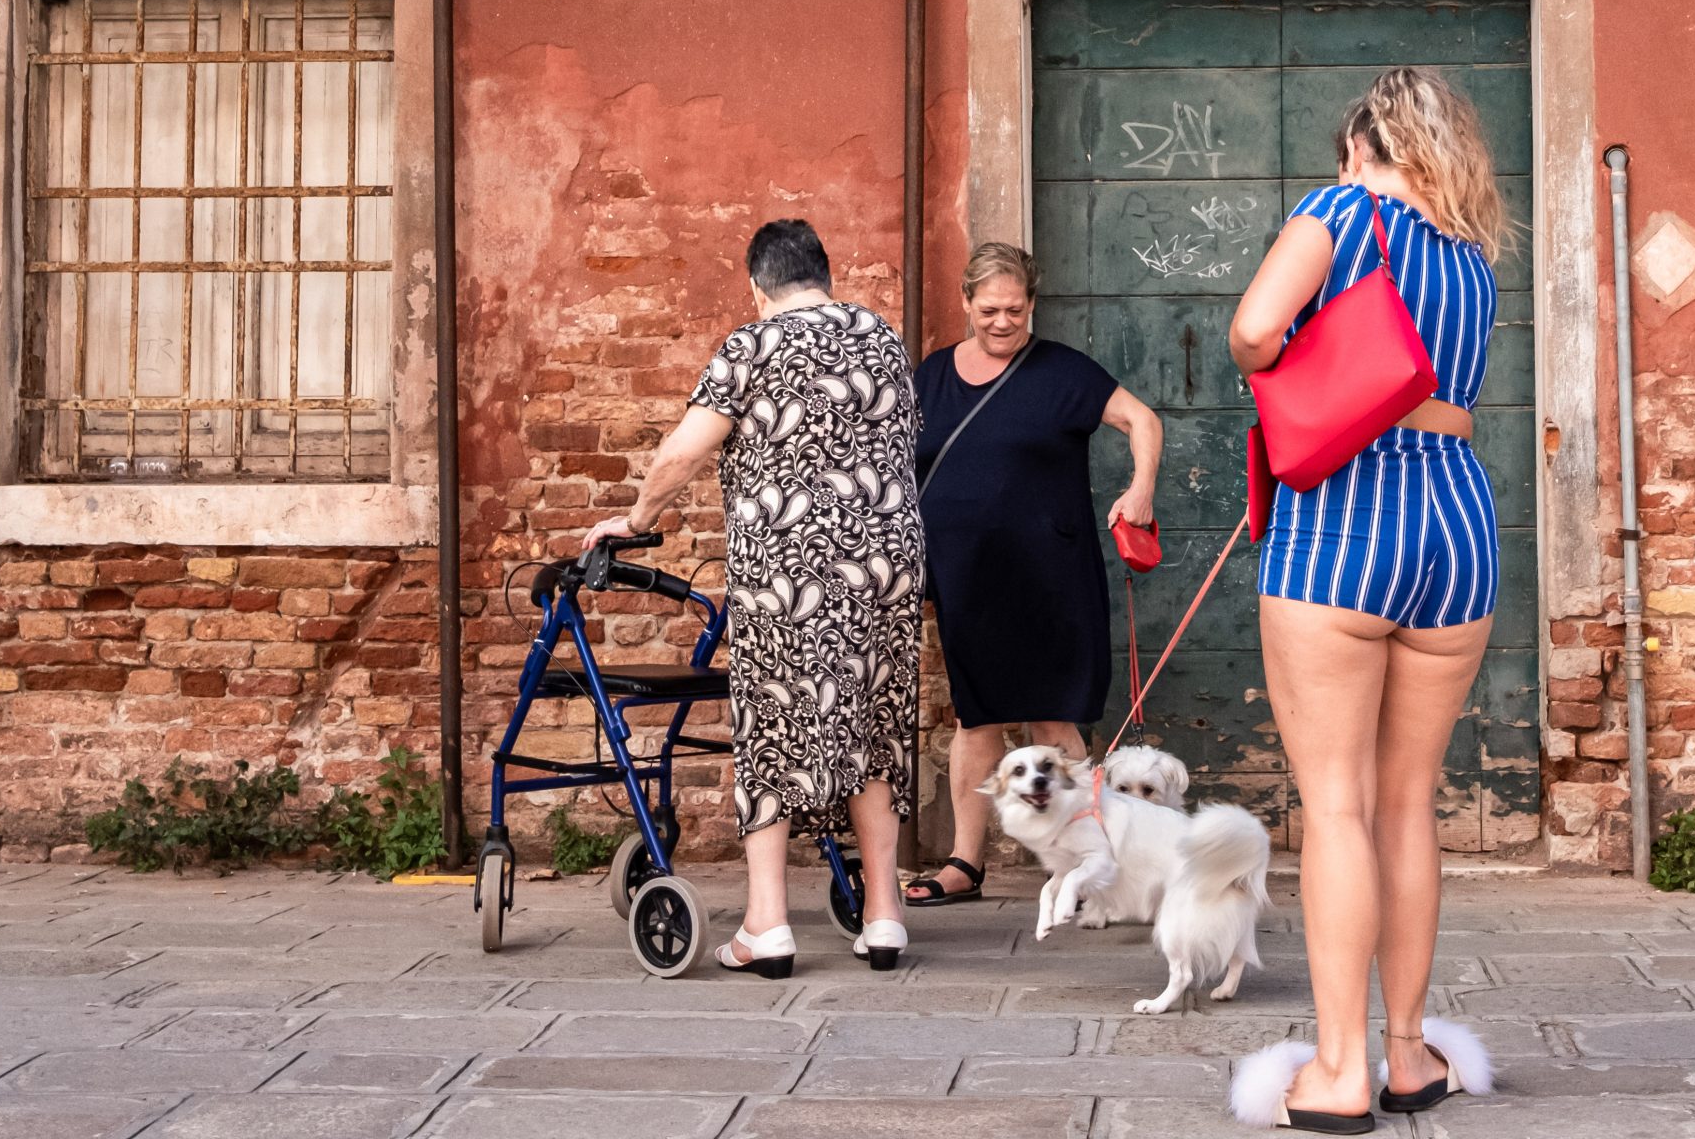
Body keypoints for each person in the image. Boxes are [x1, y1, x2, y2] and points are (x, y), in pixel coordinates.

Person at [1225, 68, 1506, 1134]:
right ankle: (1406, 1051)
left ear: (1360, 147)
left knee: (1335, 804)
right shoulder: (1474, 257)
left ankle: (1337, 1068)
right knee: (1407, 805)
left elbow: (1255, 330)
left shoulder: (1342, 210)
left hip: (1345, 522)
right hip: (1458, 527)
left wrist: (1292, 345)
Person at [583, 218, 925, 976]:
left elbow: (684, 450)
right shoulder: (884, 340)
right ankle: (883, 916)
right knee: (875, 721)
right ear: (823, 275)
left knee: (771, 727)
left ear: (757, 286)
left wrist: (636, 518)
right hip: (889, 564)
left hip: (790, 569)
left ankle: (767, 925)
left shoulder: (752, 345)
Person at [902, 241, 1163, 908]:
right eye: (988, 309)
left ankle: (1090, 864)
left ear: (1032, 305)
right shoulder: (930, 377)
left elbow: (1142, 421)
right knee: (977, 718)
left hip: (1052, 576)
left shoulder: (1061, 372)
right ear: (965, 302)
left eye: (1015, 310)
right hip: (966, 578)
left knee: (1054, 723)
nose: (1001, 322)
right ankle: (964, 861)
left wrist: (1140, 490)